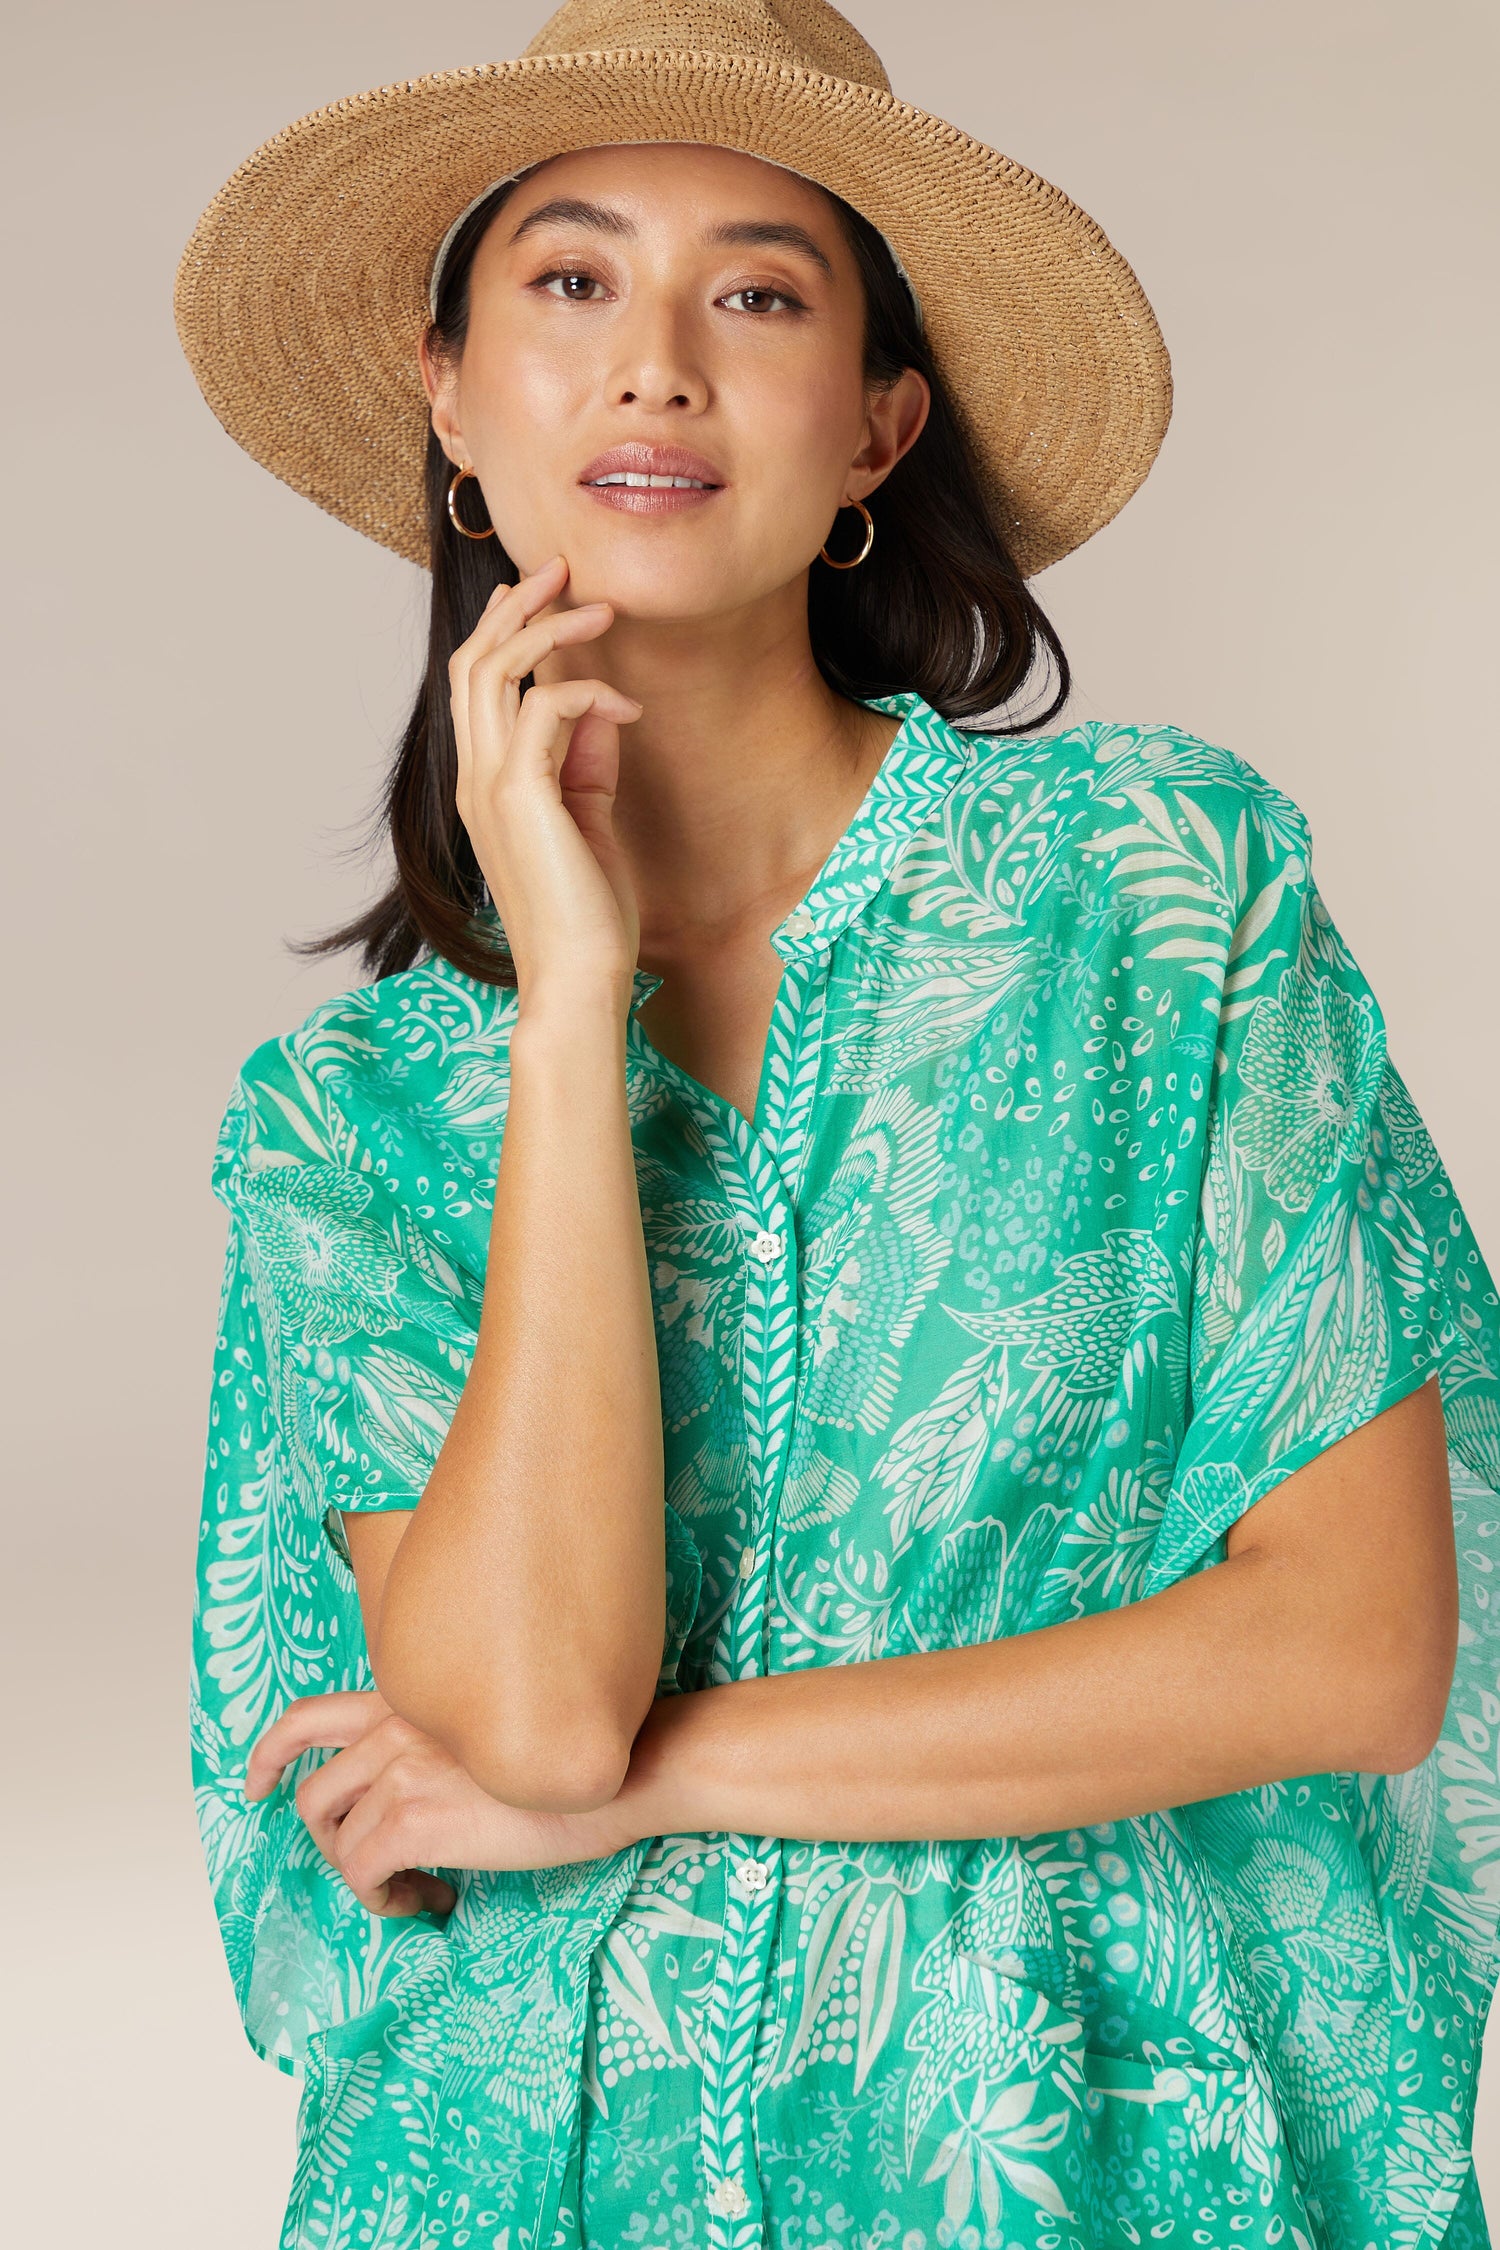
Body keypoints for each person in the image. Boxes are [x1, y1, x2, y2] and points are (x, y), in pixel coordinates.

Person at [176, 5, 1500, 2246]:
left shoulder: (1164, 901)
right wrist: (573, 1002)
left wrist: (662, 1786)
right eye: (571, 283)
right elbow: (522, 1723)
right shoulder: (353, 1118)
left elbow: (1352, 1653)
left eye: (761, 292)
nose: (657, 365)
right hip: (542, 2177)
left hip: (1086, 2158)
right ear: (451, 396)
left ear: (879, 425)